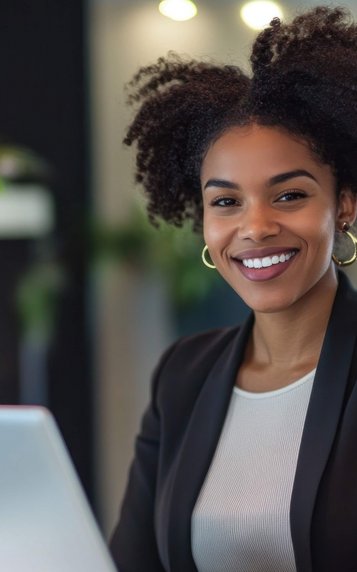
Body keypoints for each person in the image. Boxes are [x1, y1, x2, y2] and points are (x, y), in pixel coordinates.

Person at [110, 6, 357, 572]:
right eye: (225, 202)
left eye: (289, 195)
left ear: (342, 205)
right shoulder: (184, 376)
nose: (255, 227)